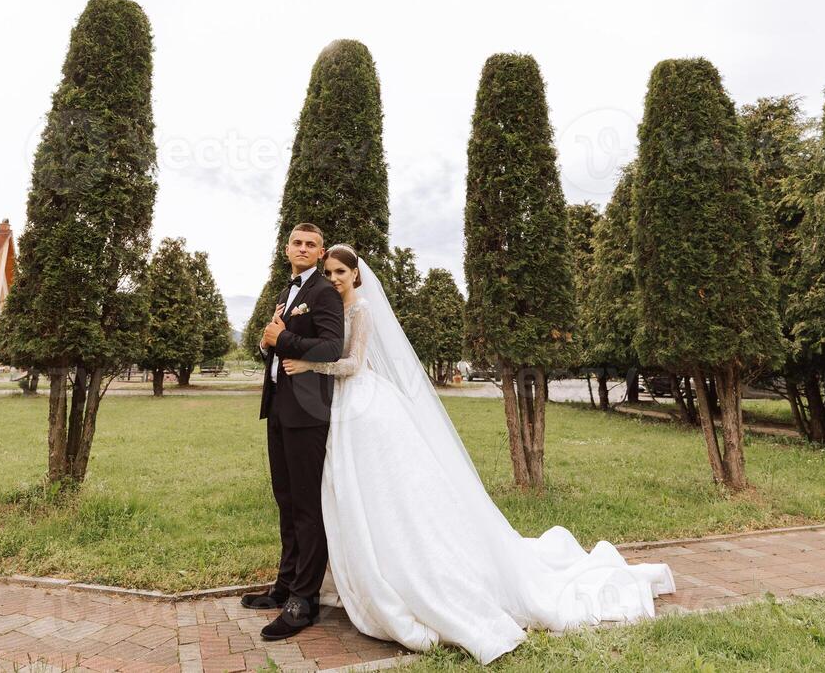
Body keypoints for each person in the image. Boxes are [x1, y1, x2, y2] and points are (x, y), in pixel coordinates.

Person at [284, 244, 675, 665]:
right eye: (331, 272)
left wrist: (308, 366)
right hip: (345, 410)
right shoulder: (330, 308)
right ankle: (356, 571)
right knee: (353, 493)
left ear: (357, 275)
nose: (336, 277)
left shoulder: (360, 310)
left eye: (342, 271)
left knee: (384, 493)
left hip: (365, 404)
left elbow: (354, 364)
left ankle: (408, 575)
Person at [244, 223, 345, 641]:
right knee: (284, 499)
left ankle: (305, 601)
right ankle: (284, 585)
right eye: (297, 243)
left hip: (308, 412)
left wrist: (282, 338)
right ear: (287, 249)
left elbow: (331, 347)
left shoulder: (323, 292)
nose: (303, 249)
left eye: (311, 244)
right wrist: (268, 343)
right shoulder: (287, 293)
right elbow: (274, 344)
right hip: (279, 408)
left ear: (320, 253)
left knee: (306, 505)